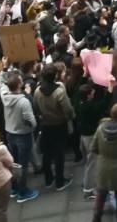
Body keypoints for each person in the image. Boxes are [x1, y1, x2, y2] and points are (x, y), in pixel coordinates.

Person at [0, 68, 39, 202]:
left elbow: (0, 83)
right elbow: (31, 120)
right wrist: (34, 126)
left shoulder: (5, 95)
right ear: (19, 85)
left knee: (14, 163)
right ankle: (23, 192)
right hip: (23, 135)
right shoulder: (23, 101)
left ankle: (14, 188)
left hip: (10, 133)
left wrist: (3, 70)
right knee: (23, 165)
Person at [33, 63, 74, 192]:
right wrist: (70, 117)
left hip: (46, 125)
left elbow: (35, 108)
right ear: (55, 75)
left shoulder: (37, 91)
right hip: (59, 125)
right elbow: (68, 110)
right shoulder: (59, 92)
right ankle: (60, 182)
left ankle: (48, 179)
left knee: (47, 153)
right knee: (59, 154)